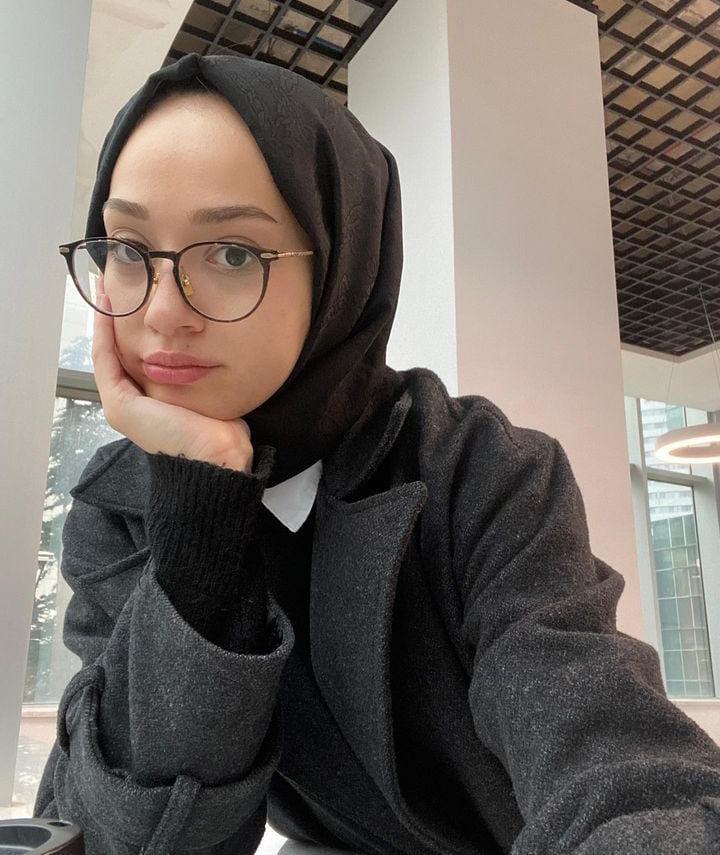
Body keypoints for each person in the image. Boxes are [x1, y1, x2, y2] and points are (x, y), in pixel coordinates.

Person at [34, 52, 720, 855]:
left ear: (341, 268)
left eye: (232, 254)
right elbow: (120, 832)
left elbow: (621, 769)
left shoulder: (480, 470)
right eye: (127, 248)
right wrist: (199, 517)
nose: (160, 312)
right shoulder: (119, 508)